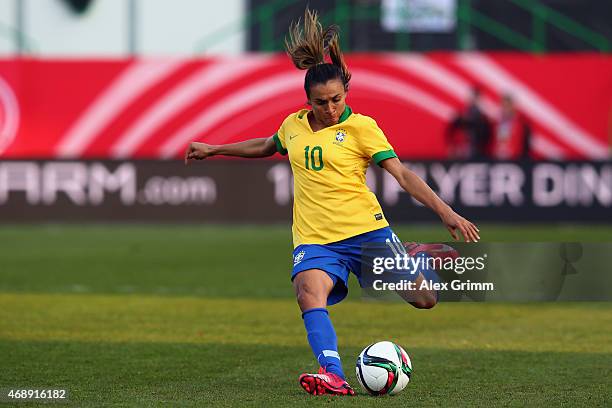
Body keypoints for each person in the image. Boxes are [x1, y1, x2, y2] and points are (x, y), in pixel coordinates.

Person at [185, 9, 479, 396]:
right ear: (308, 100)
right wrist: (215, 149)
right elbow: (265, 145)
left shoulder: (361, 128)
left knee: (425, 299)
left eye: (336, 99)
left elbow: (403, 175)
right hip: (315, 239)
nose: (329, 108)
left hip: (366, 232)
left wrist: (446, 211)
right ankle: (333, 374)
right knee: (308, 293)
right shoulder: (293, 125)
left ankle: (418, 257)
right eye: (321, 102)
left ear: (346, 94)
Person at [446, 87, 493, 159]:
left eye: (476, 97)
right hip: (466, 150)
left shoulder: (483, 116)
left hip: (477, 150)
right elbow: (452, 130)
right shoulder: (464, 113)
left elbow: (486, 134)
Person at [491, 94, 532, 160]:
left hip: (516, 158)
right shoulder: (498, 122)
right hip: (499, 157)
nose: (505, 108)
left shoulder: (522, 122)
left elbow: (526, 142)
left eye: (508, 105)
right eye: (503, 105)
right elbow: (498, 140)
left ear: (513, 106)